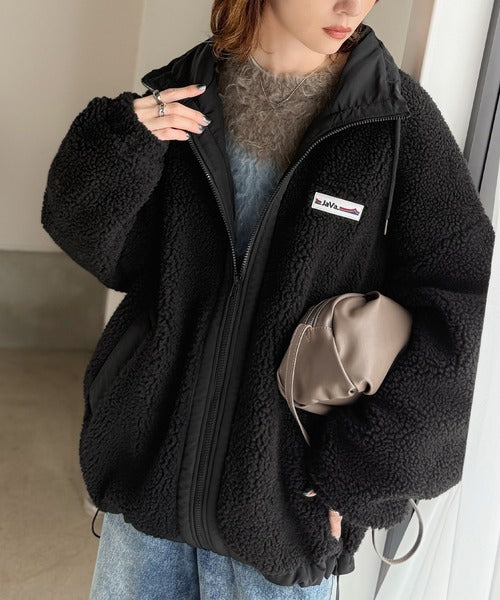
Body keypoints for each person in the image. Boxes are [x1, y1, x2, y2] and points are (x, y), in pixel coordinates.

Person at [41, 0, 495, 598]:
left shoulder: (393, 121)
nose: (352, 5)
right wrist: (120, 145)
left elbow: (466, 310)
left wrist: (361, 476)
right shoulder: (185, 95)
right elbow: (108, 252)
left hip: (279, 523)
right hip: (147, 496)